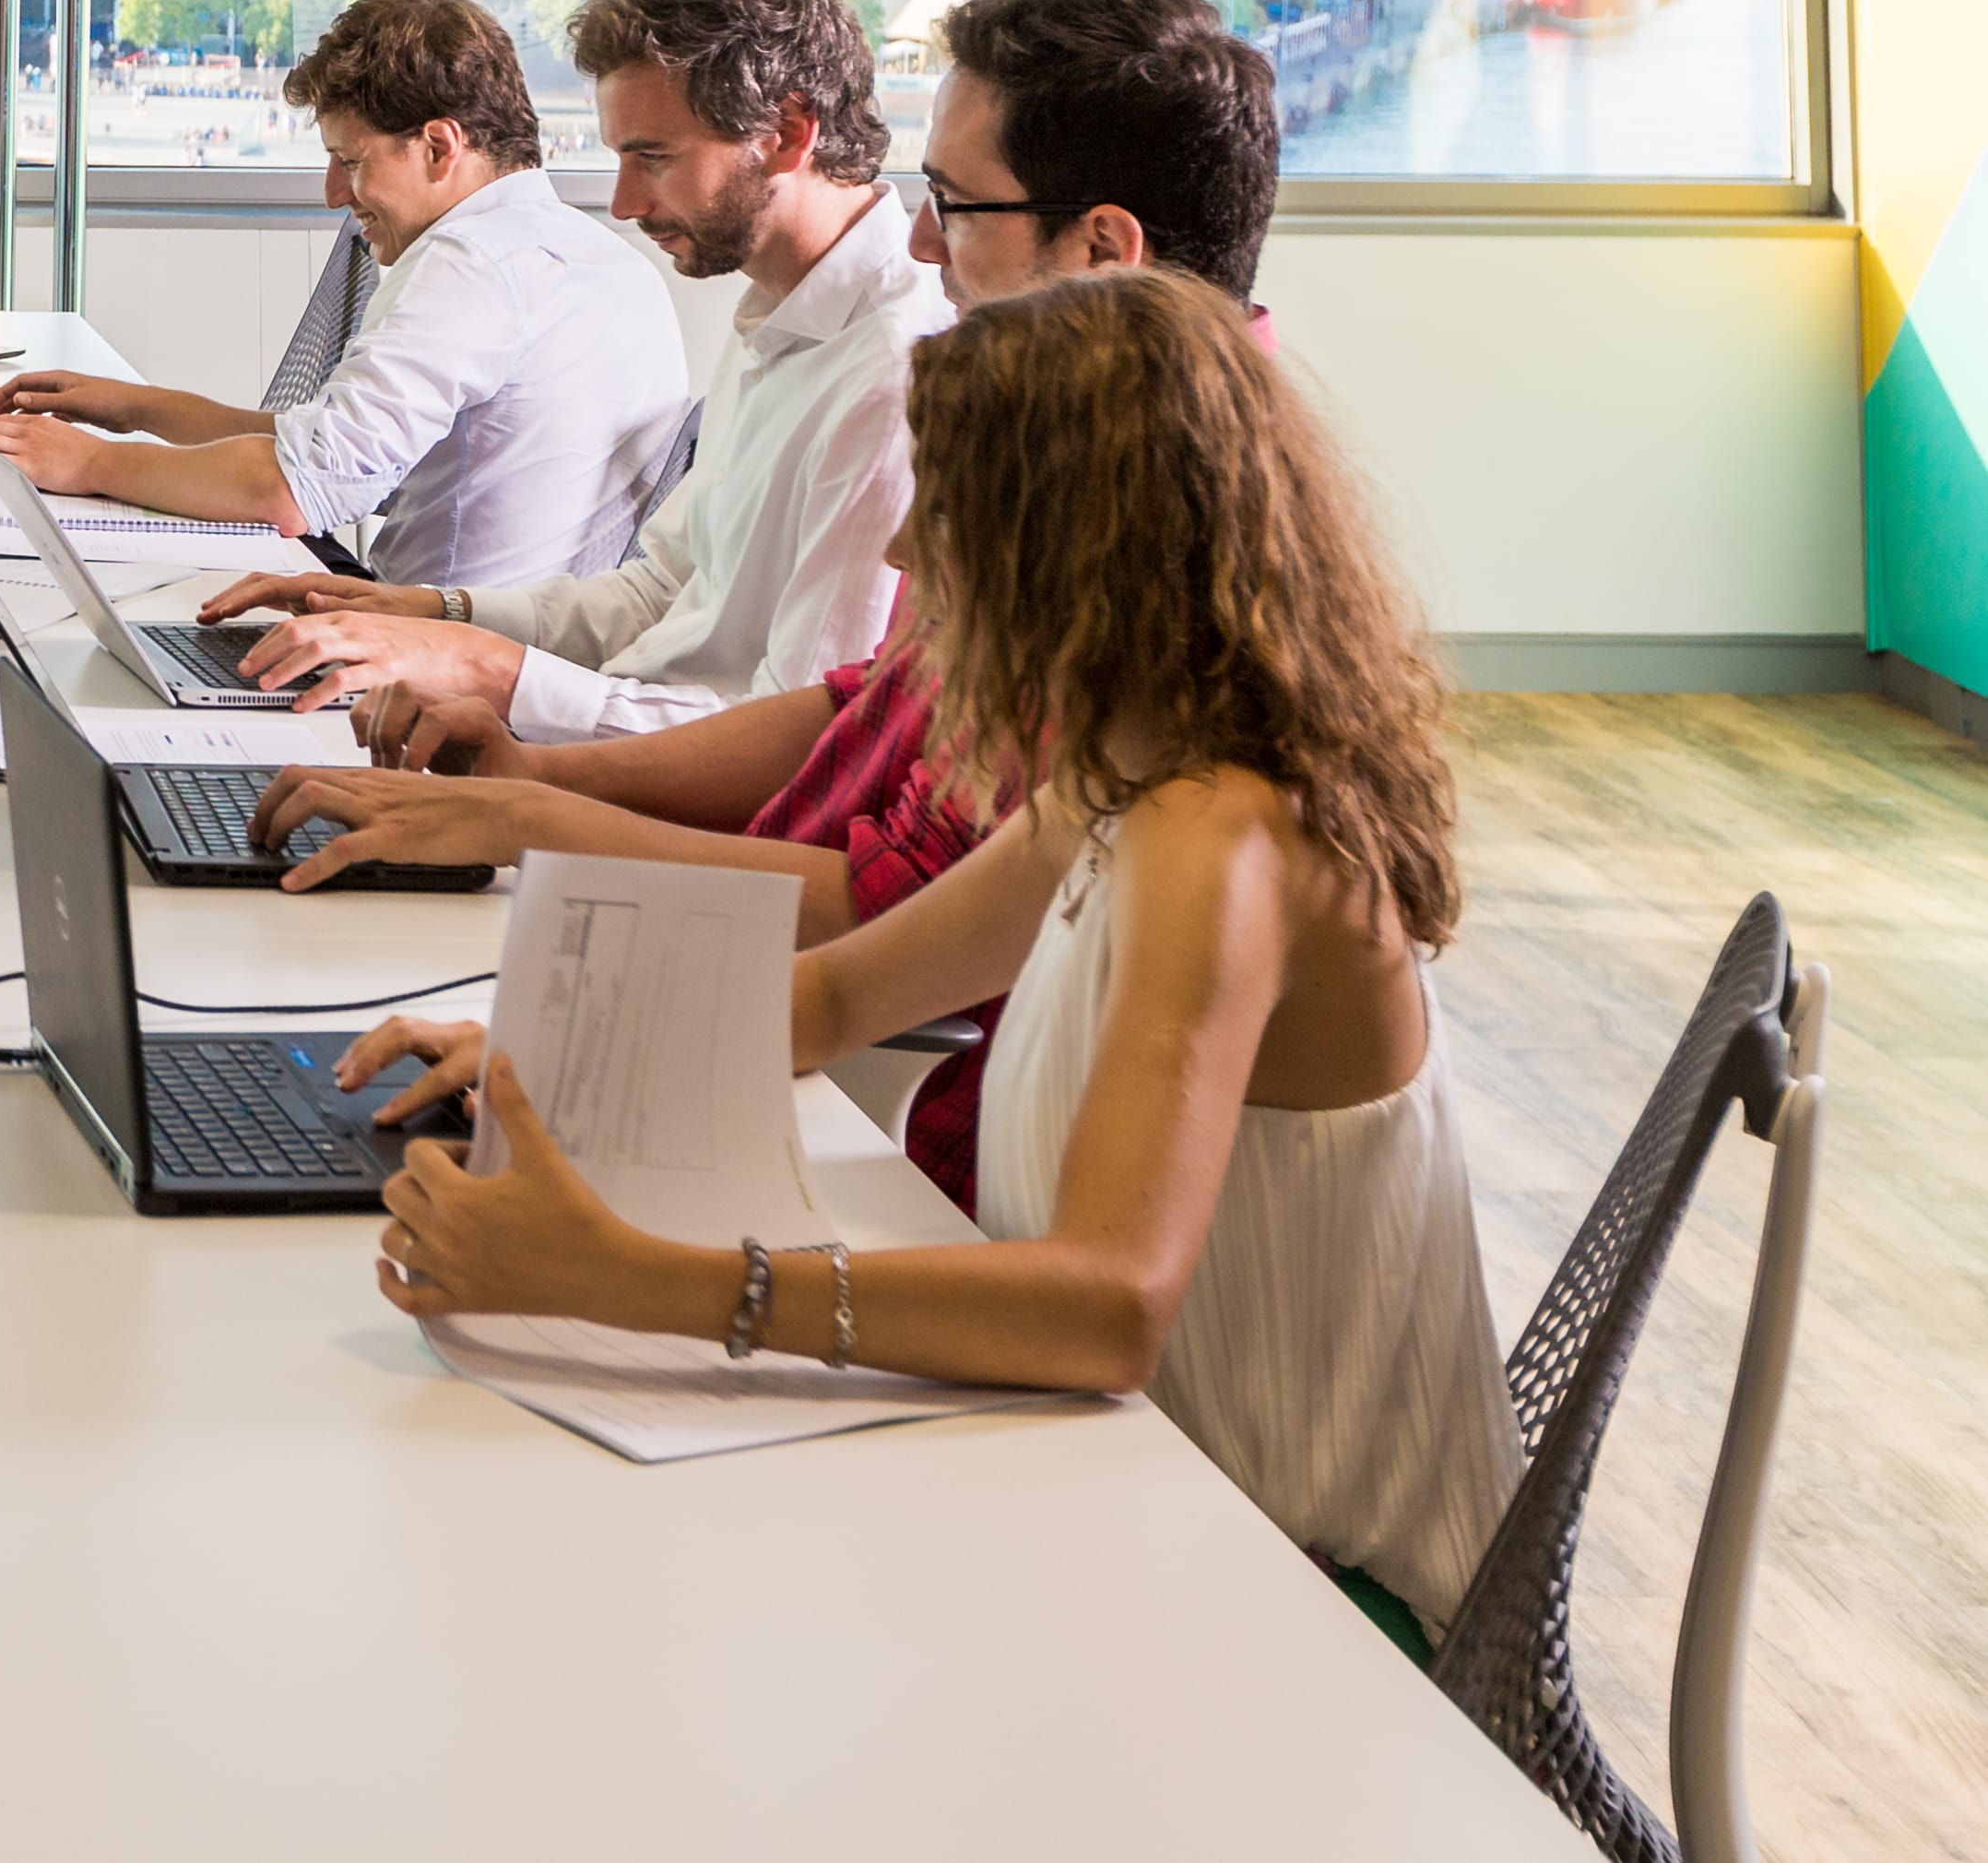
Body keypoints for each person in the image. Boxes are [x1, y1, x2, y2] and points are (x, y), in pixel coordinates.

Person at [333, 267, 1519, 1650]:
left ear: (1068, 553)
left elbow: (1107, 1307)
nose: (900, 550)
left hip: (1305, 1589)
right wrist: (552, 1058)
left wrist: (631, 1279)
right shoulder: (1129, 770)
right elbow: (843, 993)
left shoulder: (1220, 835)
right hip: (1150, 1482)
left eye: (939, 509)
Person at [254, 0, 1285, 1204]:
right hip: (791, 980)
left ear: (1104, 249)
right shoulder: (1071, 438)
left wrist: (529, 806)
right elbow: (850, 707)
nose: (921, 239)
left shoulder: (1110, 504)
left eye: (952, 203)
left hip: (906, 1084)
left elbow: (888, 906)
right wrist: (520, 758)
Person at [204, 0, 941, 744]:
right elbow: (657, 594)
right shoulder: (779, 316)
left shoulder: (892, 375)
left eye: (652, 157)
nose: (623, 204)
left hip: (658, 786)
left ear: (789, 132)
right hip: (611, 736)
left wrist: (485, 675)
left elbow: (799, 746)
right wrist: (431, 613)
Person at [0, 0, 685, 587]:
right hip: (515, 645)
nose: (333, 192)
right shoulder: (601, 258)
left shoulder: (471, 260)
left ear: (439, 147)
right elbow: (323, 449)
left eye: (351, 160)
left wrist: (89, 461)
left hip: (433, 660)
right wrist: (138, 407)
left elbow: (289, 487)